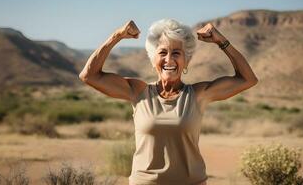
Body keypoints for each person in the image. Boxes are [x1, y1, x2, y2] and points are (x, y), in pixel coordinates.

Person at [79, 19, 258, 185]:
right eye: (163, 52)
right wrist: (117, 36)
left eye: (176, 53)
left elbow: (247, 79)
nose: (169, 59)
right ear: (153, 59)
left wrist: (221, 41)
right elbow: (89, 76)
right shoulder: (137, 91)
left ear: (186, 61)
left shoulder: (198, 94)